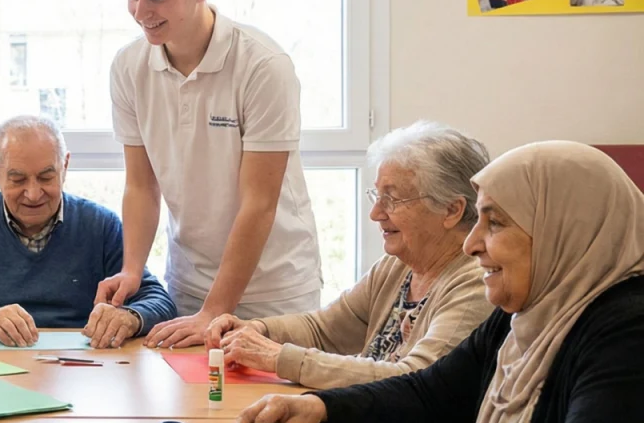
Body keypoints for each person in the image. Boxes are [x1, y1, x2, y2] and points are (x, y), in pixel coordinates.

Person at [228, 142, 644, 423]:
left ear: (563, 230)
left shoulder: (628, 331)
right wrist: (320, 407)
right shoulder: (524, 315)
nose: (472, 242)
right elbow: (432, 394)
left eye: (495, 223)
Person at [99, 0, 323, 350]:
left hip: (275, 291)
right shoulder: (128, 67)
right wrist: (132, 270)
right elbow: (141, 186)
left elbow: (259, 203)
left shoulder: (263, 66)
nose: (141, 13)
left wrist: (215, 310)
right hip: (190, 287)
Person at [205, 122, 494, 389]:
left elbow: (414, 380)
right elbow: (324, 329)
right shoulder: (396, 267)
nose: (375, 213)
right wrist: (258, 329)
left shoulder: (476, 284)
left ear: (451, 210)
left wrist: (279, 358)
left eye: (392, 199)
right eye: (377, 196)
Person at [0, 116, 175, 347]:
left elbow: (159, 300)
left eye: (46, 177)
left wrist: (130, 317)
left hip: (80, 369)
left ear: (65, 167)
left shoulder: (101, 225)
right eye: (18, 179)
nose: (33, 194)